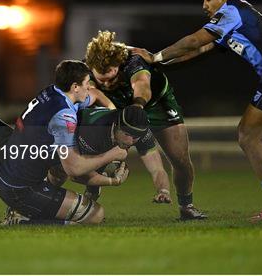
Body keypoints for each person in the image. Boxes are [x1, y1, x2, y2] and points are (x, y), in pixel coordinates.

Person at [131, 0, 262, 221]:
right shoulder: (236, 17)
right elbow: (199, 48)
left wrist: (156, 57)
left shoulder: (231, 12)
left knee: (247, 137)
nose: (204, 5)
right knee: (256, 136)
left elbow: (195, 40)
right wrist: (158, 60)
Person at [0, 60, 129, 225]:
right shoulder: (64, 116)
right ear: (75, 87)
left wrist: (112, 115)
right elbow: (75, 169)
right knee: (95, 215)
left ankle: (34, 205)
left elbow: (96, 95)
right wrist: (111, 163)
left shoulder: (53, 92)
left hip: (3, 170)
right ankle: (21, 219)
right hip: (19, 189)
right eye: (86, 83)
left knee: (57, 165)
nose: (89, 87)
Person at [85, 31, 207, 220]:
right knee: (94, 146)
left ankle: (186, 206)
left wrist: (138, 105)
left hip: (156, 103)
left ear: (118, 65)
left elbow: (142, 84)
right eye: (103, 80)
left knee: (180, 159)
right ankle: (90, 195)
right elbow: (89, 93)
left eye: (112, 78)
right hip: (118, 105)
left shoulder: (132, 60)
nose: (108, 84)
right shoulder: (85, 67)